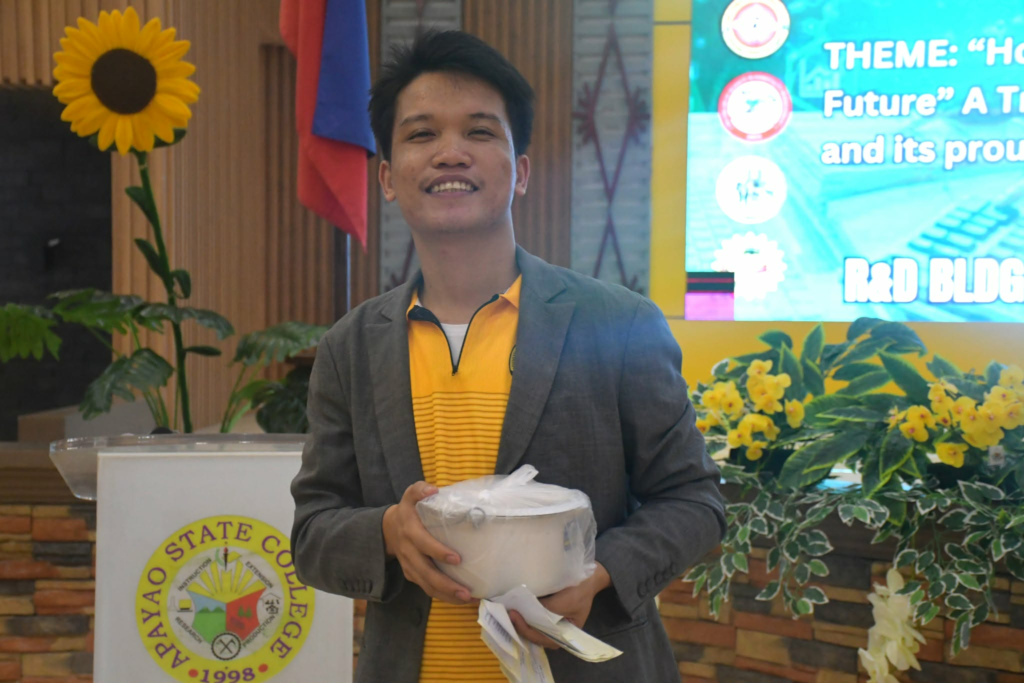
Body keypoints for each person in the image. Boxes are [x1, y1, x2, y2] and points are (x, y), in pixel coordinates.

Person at [290, 29, 725, 683]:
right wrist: (389, 531)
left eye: (480, 131)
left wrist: (598, 573)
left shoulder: (618, 323)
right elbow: (313, 531)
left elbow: (694, 500)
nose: (451, 152)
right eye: (421, 134)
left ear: (520, 171)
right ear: (387, 177)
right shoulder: (352, 347)